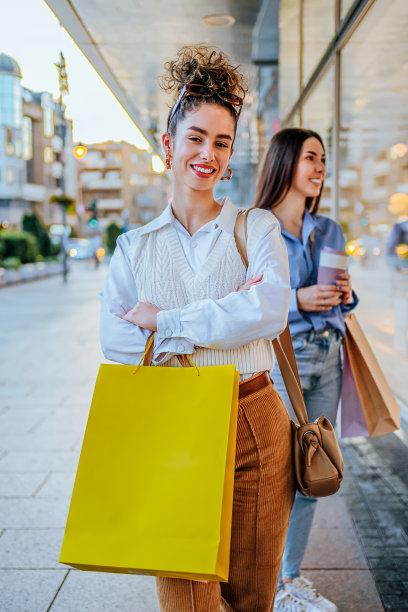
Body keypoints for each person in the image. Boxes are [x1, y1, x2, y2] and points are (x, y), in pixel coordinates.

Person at [99, 46, 295, 611]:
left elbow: (268, 310)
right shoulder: (134, 248)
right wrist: (223, 315)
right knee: (188, 598)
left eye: (222, 141)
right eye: (196, 137)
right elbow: (118, 343)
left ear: (232, 153)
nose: (208, 153)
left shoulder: (255, 227)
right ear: (168, 145)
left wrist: (166, 321)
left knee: (253, 597)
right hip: (171, 424)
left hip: (254, 416)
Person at [254, 127, 358, 612]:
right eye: (310, 158)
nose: (320, 168)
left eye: (323, 159)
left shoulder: (329, 229)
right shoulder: (257, 228)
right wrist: (298, 300)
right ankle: (266, 582)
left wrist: (343, 295)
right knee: (275, 479)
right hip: (283, 364)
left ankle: (290, 580)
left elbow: (342, 297)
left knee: (314, 471)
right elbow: (250, 303)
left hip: (329, 356)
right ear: (285, 163)